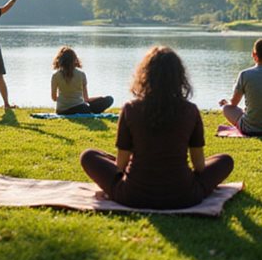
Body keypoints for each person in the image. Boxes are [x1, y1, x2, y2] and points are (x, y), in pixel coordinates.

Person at [80, 46, 234, 209]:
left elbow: (120, 166)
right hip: (184, 196)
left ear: (145, 76)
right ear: (179, 77)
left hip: (132, 196)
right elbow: (199, 167)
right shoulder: (190, 110)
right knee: (225, 160)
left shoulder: (131, 109)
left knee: (88, 156)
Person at [50, 46, 114, 115]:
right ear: (75, 60)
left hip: (61, 110)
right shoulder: (81, 74)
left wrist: (66, 101)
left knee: (86, 106)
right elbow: (86, 99)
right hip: (81, 109)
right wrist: (100, 98)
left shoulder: (55, 76)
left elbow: (54, 98)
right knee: (109, 99)